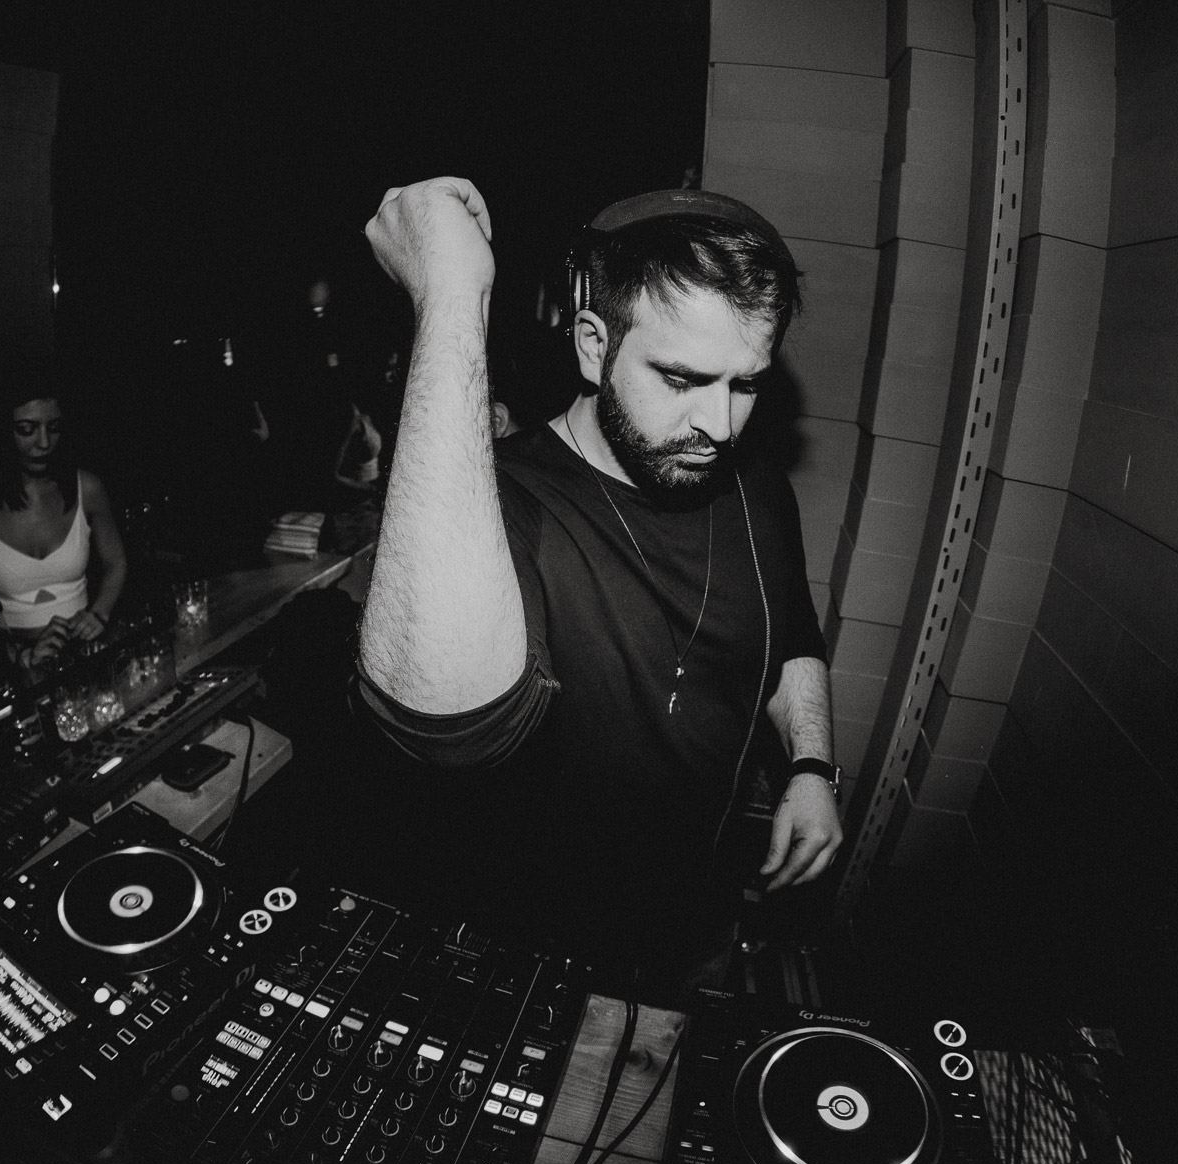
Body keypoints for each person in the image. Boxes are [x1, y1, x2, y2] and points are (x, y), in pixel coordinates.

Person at [353, 178, 842, 995]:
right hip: (529, 964)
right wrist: (450, 298)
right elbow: (442, 723)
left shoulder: (756, 485)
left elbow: (792, 636)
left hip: (696, 932)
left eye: (746, 384)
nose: (719, 425)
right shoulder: (502, 502)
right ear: (592, 346)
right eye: (681, 378)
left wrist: (812, 765)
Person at [0, 371, 127, 674]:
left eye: (54, 428)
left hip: (86, 655)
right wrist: (20, 655)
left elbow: (116, 563)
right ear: (2, 430)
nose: (44, 443)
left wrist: (99, 614)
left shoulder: (87, 487)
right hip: (14, 664)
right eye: (27, 429)